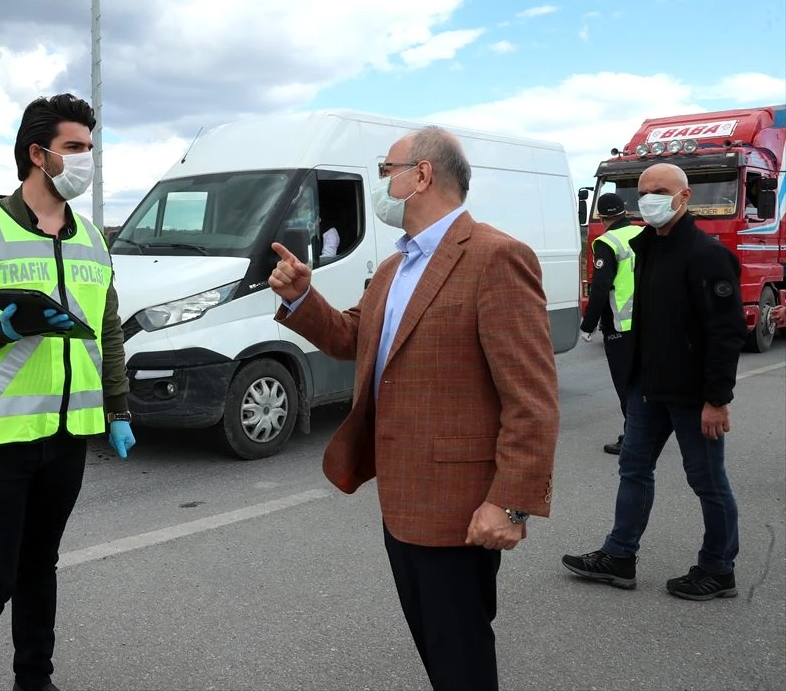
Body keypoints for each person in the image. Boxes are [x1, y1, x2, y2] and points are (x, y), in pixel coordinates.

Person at [268, 126, 559, 691]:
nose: (381, 183)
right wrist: (302, 298)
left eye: (386, 171)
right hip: (401, 499)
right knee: (434, 642)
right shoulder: (395, 266)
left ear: (420, 175)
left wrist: (512, 503)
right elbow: (353, 338)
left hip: (460, 507)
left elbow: (532, 397)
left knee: (461, 653)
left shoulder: (497, 257)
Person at [0, 93, 136, 691]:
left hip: (65, 435)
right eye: (75, 148)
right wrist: (1, 330)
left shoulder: (92, 239)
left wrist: (117, 408)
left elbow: (108, 332)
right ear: (38, 154)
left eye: (90, 148)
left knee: (40, 569)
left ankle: (34, 681)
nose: (86, 159)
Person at [563, 163, 745, 601]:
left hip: (692, 393)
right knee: (633, 469)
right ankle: (619, 556)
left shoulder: (706, 254)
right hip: (647, 386)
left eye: (660, 190)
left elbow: (726, 332)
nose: (649, 199)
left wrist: (716, 399)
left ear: (684, 197)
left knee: (706, 480)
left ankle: (718, 569)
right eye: (643, 191)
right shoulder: (646, 247)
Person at [580, 192, 642, 456]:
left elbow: (601, 286)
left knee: (626, 384)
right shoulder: (641, 233)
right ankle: (645, 430)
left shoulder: (605, 242)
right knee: (642, 380)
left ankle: (634, 437)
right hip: (647, 319)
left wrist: (588, 324)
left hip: (621, 324)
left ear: (601, 216)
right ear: (624, 212)